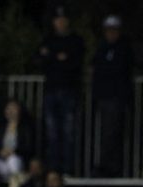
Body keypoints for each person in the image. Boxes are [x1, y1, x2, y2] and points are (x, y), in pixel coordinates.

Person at [38, 5, 85, 175]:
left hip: (69, 91)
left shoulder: (75, 40)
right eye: (57, 20)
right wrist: (57, 58)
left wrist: (53, 57)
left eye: (63, 19)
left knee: (68, 132)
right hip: (51, 91)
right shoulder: (48, 39)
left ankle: (67, 169)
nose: (60, 23)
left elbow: (74, 63)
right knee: (52, 133)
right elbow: (42, 60)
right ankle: (53, 169)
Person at [91, 15, 134, 177]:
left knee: (113, 132)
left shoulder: (124, 48)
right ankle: (105, 165)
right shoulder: (102, 48)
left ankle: (112, 167)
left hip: (117, 97)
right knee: (105, 132)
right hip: (104, 97)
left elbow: (122, 70)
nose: (111, 33)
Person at [0, 99, 35, 183]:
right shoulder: (1, 127)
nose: (11, 111)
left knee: (13, 160)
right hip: (1, 161)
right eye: (8, 108)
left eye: (14, 108)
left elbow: (28, 148)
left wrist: (13, 151)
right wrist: (0, 152)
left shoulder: (25, 128)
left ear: (19, 110)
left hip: (17, 161)